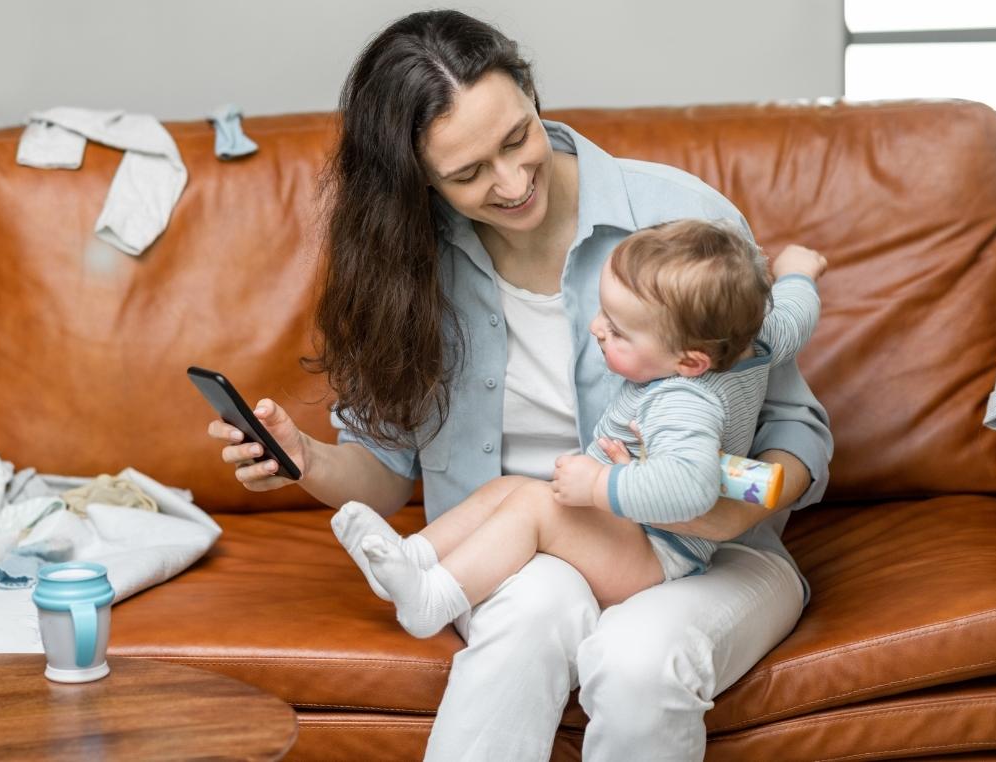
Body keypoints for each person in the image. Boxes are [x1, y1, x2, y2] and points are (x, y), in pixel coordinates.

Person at [205, 10, 832, 761]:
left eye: (517, 139)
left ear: (533, 96)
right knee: (528, 614)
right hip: (526, 555)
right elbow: (382, 474)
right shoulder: (409, 269)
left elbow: (796, 424)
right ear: (419, 182)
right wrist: (304, 457)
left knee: (637, 664)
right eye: (468, 174)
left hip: (711, 551)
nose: (511, 182)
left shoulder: (679, 224)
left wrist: (735, 506)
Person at [332, 220, 826, 640]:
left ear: (690, 361)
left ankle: (433, 599)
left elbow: (691, 488)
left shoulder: (684, 401)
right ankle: (410, 558)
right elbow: (796, 313)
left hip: (655, 552)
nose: (596, 328)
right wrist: (799, 271)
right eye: (603, 312)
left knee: (532, 504)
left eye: (617, 330)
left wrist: (598, 485)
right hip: (633, 531)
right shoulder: (761, 337)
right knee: (508, 488)